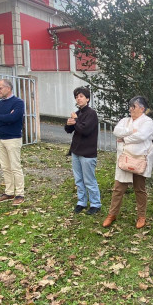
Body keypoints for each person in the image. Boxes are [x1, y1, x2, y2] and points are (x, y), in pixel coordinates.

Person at [102, 96, 153, 229]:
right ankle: (112, 214)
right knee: (118, 188)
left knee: (140, 189)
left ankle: (141, 216)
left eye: (134, 106)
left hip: (139, 159)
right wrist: (131, 131)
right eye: (130, 106)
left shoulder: (147, 122)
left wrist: (125, 139)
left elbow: (142, 136)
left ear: (142, 109)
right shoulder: (125, 120)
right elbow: (116, 131)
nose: (130, 109)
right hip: (124, 159)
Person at [0, 79, 26, 206]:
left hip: (13, 139)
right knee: (5, 167)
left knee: (15, 167)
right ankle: (9, 192)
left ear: (8, 88)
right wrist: (4, 118)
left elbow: (14, 117)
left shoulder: (18, 103)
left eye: (0, 88)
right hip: (0, 138)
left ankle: (20, 193)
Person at [65, 87, 101, 215]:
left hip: (87, 153)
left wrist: (75, 121)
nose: (78, 98)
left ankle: (95, 204)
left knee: (89, 180)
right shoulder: (78, 113)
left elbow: (85, 130)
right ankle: (82, 202)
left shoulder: (91, 113)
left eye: (81, 96)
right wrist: (69, 123)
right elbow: (70, 130)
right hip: (76, 151)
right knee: (78, 179)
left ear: (87, 98)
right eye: (76, 97)